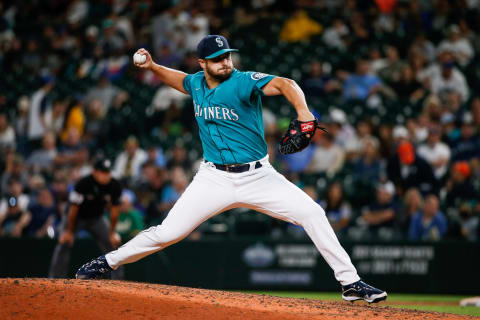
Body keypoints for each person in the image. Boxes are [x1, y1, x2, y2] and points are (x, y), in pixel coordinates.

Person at [76, 35, 386, 303]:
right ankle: (105, 262)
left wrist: (304, 113)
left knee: (312, 213)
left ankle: (350, 283)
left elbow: (286, 84)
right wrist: (155, 67)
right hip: (213, 178)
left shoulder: (242, 81)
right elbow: (180, 80)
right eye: (216, 59)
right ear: (202, 63)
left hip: (259, 176)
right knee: (167, 233)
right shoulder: (196, 82)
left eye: (226, 56)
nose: (225, 62)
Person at [49, 158, 123, 279]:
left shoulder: (114, 185)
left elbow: (114, 212)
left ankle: (118, 281)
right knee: (64, 242)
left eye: (108, 172)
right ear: (95, 172)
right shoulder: (84, 183)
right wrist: (68, 231)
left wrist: (112, 232)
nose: (106, 176)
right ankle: (55, 279)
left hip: (97, 218)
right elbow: (73, 210)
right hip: (76, 218)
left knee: (112, 244)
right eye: (103, 172)